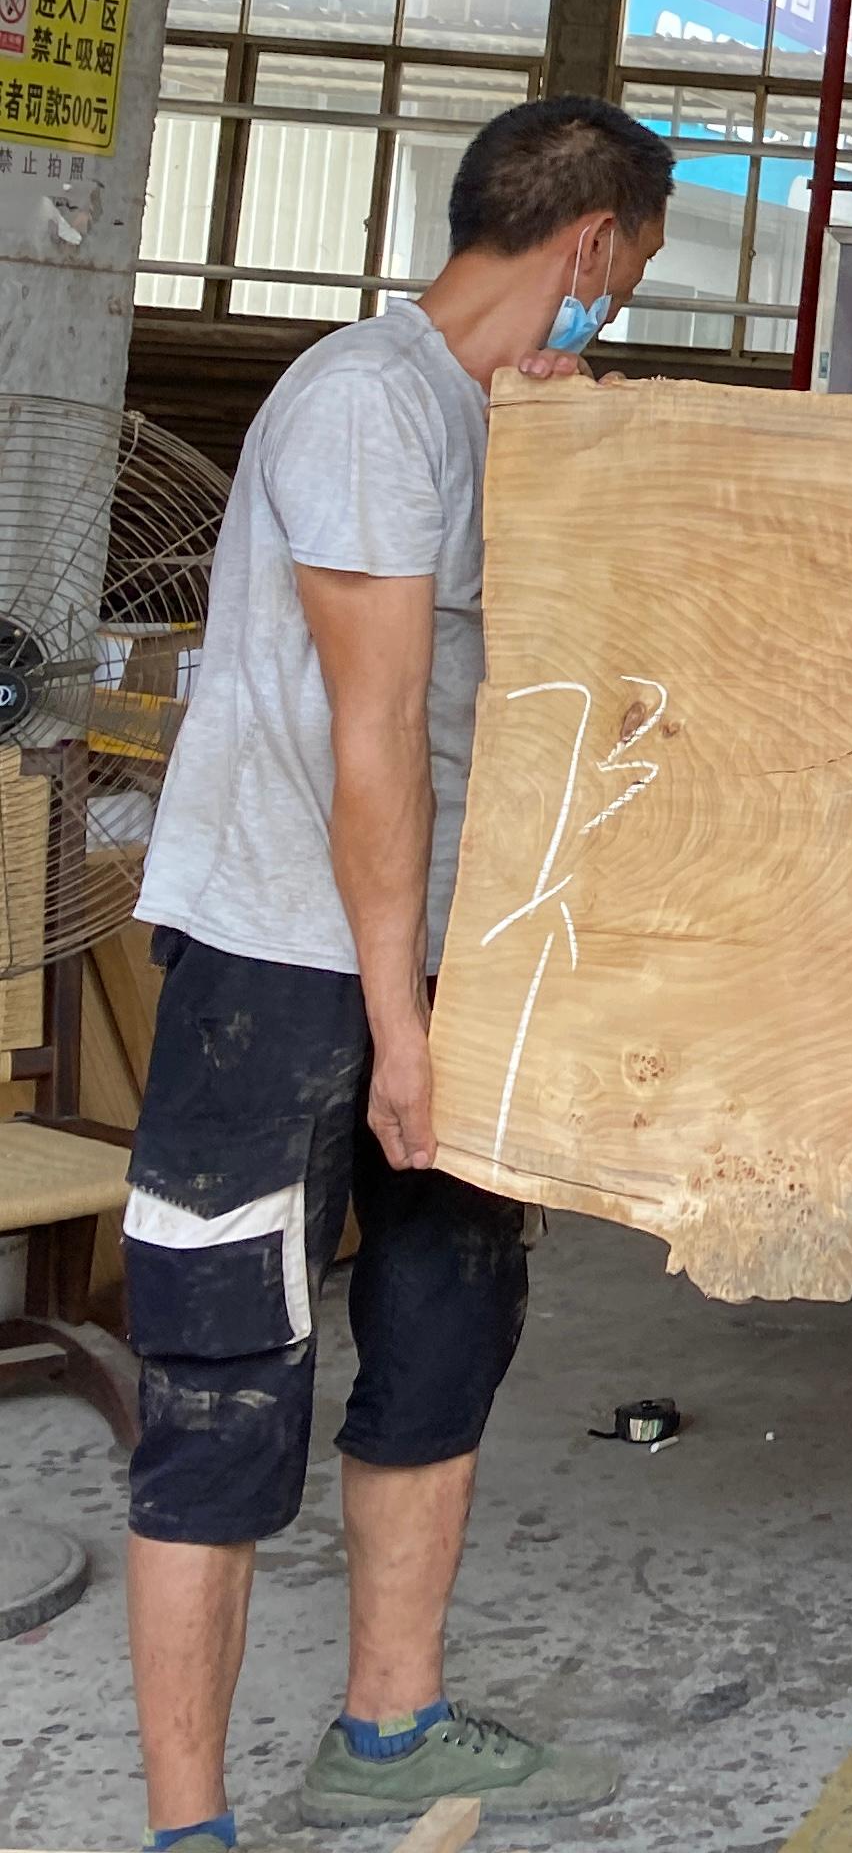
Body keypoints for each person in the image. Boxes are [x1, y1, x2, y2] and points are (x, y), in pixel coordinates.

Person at [121, 96, 671, 1846]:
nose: (617, 299)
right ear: (592, 244)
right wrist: (400, 1027)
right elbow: (373, 746)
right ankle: (189, 1825)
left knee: (442, 1333)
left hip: (436, 955)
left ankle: (389, 1725)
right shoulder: (365, 403)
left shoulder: (482, 410)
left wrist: (561, 437)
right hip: (284, 964)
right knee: (225, 1377)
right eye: (628, 270)